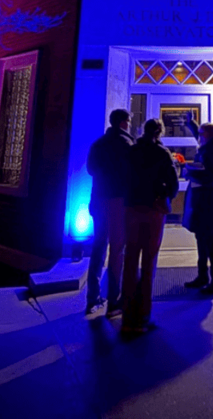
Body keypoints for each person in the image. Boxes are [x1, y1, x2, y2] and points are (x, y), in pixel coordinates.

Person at [120, 119, 179, 334]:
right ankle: (143, 316)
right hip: (153, 209)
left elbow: (122, 177)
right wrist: (164, 195)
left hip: (132, 207)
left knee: (130, 257)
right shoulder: (162, 153)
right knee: (149, 260)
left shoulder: (132, 151)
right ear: (160, 132)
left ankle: (127, 316)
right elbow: (173, 182)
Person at [84, 109, 134, 317]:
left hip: (99, 199)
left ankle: (92, 298)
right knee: (117, 250)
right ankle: (114, 299)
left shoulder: (98, 144)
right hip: (119, 202)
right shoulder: (127, 144)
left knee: (98, 247)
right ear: (124, 123)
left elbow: (90, 170)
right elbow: (133, 173)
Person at [181, 123, 213, 294]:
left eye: (202, 133)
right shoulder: (211, 149)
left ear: (209, 135)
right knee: (202, 239)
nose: (199, 136)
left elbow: (210, 176)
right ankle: (203, 276)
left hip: (207, 202)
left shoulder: (212, 152)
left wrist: (190, 173)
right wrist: (192, 124)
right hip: (206, 200)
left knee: (208, 241)